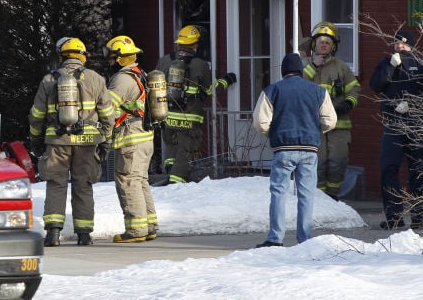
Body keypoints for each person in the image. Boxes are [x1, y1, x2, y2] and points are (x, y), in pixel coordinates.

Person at [29, 37, 114, 246]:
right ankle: (84, 235)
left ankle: (53, 234)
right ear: (83, 56)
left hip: (57, 141)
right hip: (87, 142)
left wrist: (36, 140)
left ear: (62, 57)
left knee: (56, 184)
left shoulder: (49, 79)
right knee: (83, 185)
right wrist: (106, 140)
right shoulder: (96, 79)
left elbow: (37, 114)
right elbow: (108, 114)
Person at [253, 53, 337, 248]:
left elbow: (260, 122)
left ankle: (275, 238)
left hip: (283, 148)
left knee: (278, 192)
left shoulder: (272, 90)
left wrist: (273, 134)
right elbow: (330, 121)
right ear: (300, 70)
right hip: (309, 149)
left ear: (283, 71)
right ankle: (305, 239)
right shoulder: (318, 91)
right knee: (306, 194)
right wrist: (315, 132)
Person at [155, 24, 237, 184]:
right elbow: (210, 89)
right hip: (188, 119)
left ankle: (169, 177)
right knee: (185, 153)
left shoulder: (165, 61)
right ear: (195, 44)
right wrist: (227, 81)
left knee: (171, 150)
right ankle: (176, 185)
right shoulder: (200, 64)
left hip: (166, 118)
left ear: (178, 43)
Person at [105, 35, 158, 243]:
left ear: (120, 58)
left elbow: (107, 108)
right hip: (144, 138)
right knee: (140, 181)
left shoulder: (122, 79)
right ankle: (149, 225)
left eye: (112, 57)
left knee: (128, 182)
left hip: (131, 139)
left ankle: (136, 230)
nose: (109, 61)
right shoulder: (140, 74)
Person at [369, 29, 423, 230]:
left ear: (411, 44)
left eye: (403, 43)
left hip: (416, 125)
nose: (399, 46)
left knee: (418, 170)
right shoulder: (386, 63)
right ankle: (394, 216)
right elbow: (376, 86)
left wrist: (413, 106)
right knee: (388, 169)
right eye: (396, 42)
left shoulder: (419, 64)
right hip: (393, 124)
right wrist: (389, 68)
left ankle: (419, 215)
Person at [302, 22, 361, 200]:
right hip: (313, 125)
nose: (324, 44)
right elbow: (295, 84)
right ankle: (319, 199)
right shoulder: (304, 64)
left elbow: (354, 88)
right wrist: (313, 65)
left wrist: (348, 103)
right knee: (317, 163)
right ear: (314, 44)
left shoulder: (341, 67)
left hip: (338, 125)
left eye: (328, 42)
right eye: (321, 41)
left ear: (333, 46)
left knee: (337, 162)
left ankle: (332, 197)